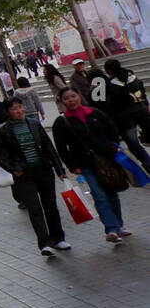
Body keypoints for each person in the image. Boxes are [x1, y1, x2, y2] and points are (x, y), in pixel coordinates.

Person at [52, 87, 133, 245]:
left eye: (73, 96)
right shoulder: (61, 122)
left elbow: (112, 131)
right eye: (67, 98)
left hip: (106, 160)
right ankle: (111, 229)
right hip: (85, 164)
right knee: (99, 195)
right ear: (62, 102)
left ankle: (119, 226)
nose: (71, 100)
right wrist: (70, 165)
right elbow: (61, 147)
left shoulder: (95, 113)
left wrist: (113, 148)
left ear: (79, 96)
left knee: (112, 193)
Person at [0, 97, 69, 256]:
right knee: (34, 208)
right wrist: (13, 168)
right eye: (14, 109)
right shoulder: (3, 130)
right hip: (24, 175)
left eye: (20, 107)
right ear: (7, 112)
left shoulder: (34, 123)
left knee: (51, 206)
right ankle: (44, 243)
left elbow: (48, 147)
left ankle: (58, 238)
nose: (19, 111)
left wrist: (59, 168)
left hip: (44, 170)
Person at [103, 59, 150, 174]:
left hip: (126, 120)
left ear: (109, 71)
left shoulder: (112, 85)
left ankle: (148, 164)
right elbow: (143, 93)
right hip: (143, 112)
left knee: (134, 145)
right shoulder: (134, 78)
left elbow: (111, 105)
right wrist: (146, 105)